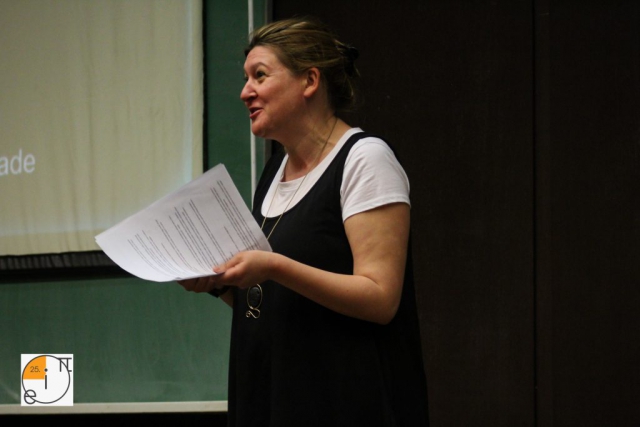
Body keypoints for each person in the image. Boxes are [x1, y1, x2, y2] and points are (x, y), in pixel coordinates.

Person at [178, 16, 429, 426]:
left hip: (344, 402)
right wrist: (219, 283)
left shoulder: (365, 159)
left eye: (260, 75)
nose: (245, 92)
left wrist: (274, 266)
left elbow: (380, 298)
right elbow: (273, 300)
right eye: (245, 79)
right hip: (274, 396)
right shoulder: (274, 172)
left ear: (310, 81)